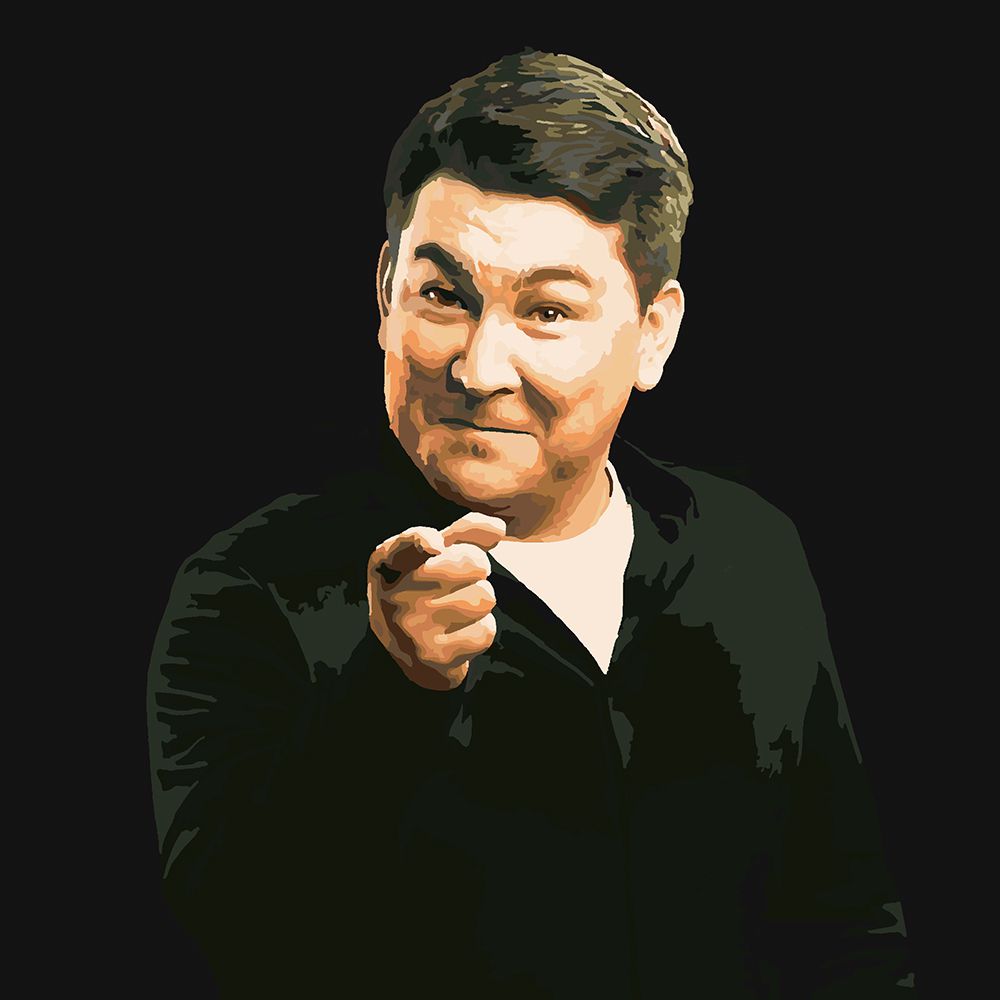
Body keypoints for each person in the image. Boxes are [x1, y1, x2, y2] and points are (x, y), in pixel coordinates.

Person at [146, 48, 916, 997]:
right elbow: (239, 942)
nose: (477, 369)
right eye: (441, 296)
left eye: (548, 311)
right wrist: (392, 692)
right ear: (384, 293)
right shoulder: (247, 588)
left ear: (655, 334)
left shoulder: (749, 550)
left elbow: (846, 921)